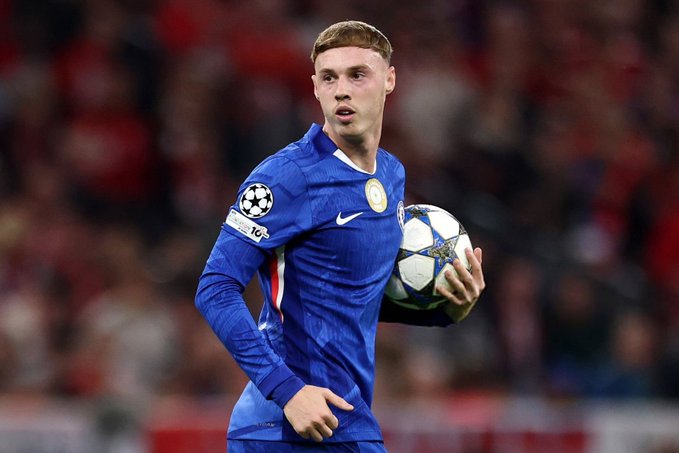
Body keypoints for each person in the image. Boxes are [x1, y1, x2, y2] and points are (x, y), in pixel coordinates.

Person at [195, 20, 485, 452]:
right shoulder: (286, 177)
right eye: (329, 78)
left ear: (389, 80)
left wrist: (444, 311)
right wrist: (288, 391)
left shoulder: (391, 175)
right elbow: (215, 288)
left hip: (345, 419)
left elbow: (347, 297)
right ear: (315, 87)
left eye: (357, 75)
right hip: (282, 427)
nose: (341, 90)